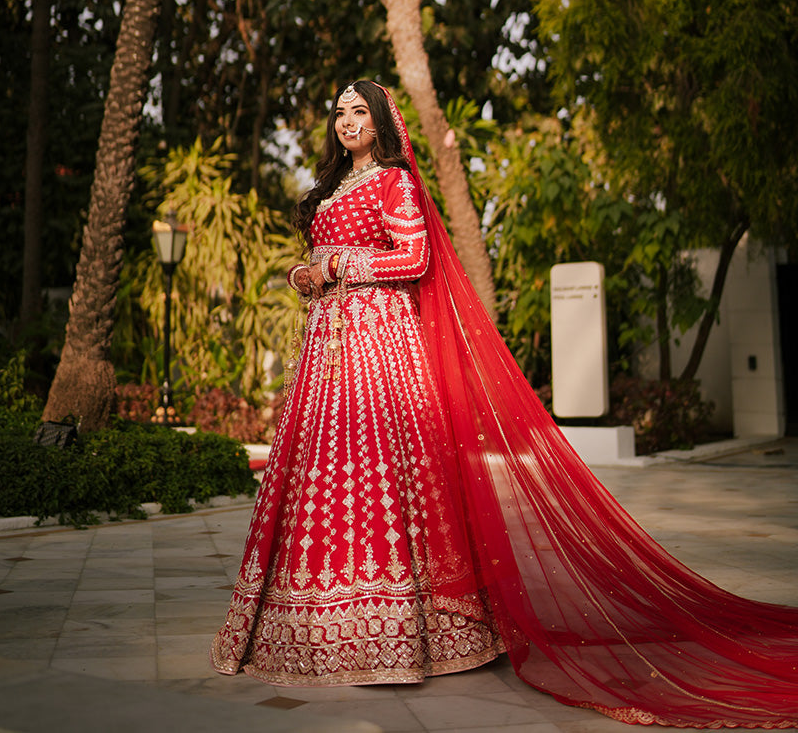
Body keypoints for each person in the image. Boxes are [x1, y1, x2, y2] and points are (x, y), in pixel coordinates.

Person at [212, 80, 798, 726]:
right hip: (327, 350)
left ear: (380, 123)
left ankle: (409, 629)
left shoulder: (395, 182)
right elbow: (316, 262)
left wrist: (337, 271)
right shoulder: (329, 190)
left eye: (359, 112)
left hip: (380, 345)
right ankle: (312, 627)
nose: (347, 122)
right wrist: (307, 274)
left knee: (381, 477)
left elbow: (415, 256)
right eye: (340, 113)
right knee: (324, 476)